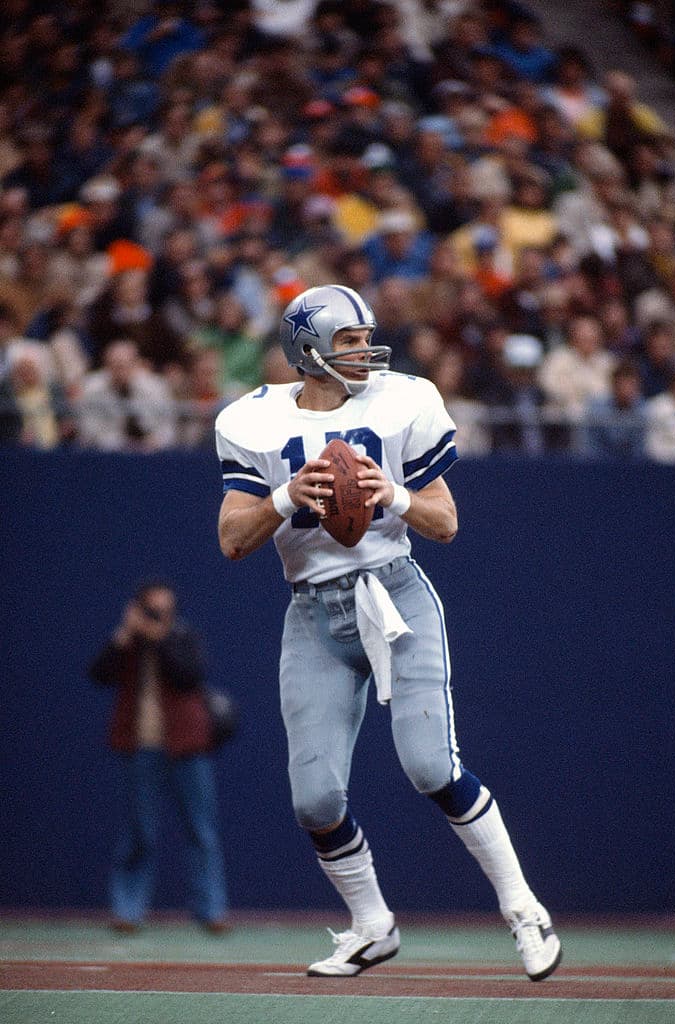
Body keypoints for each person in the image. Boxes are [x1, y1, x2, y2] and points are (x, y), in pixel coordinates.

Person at [214, 284, 561, 980]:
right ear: (308, 350)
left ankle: (523, 908)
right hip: (312, 610)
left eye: (365, 337)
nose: (365, 351)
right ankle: (372, 925)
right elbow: (230, 539)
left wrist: (390, 492)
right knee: (313, 799)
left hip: (393, 595)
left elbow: (445, 522)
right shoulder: (250, 421)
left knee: (431, 765)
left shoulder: (404, 399)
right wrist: (286, 496)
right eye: (348, 341)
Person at [88, 580, 229, 933]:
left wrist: (159, 636)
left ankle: (211, 911)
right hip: (142, 747)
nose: (159, 617)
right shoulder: (129, 644)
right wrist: (123, 636)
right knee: (139, 831)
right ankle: (127, 910)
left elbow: (189, 676)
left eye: (165, 610)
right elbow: (98, 674)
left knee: (201, 829)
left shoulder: (182, 636)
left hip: (187, 746)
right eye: (152, 610)